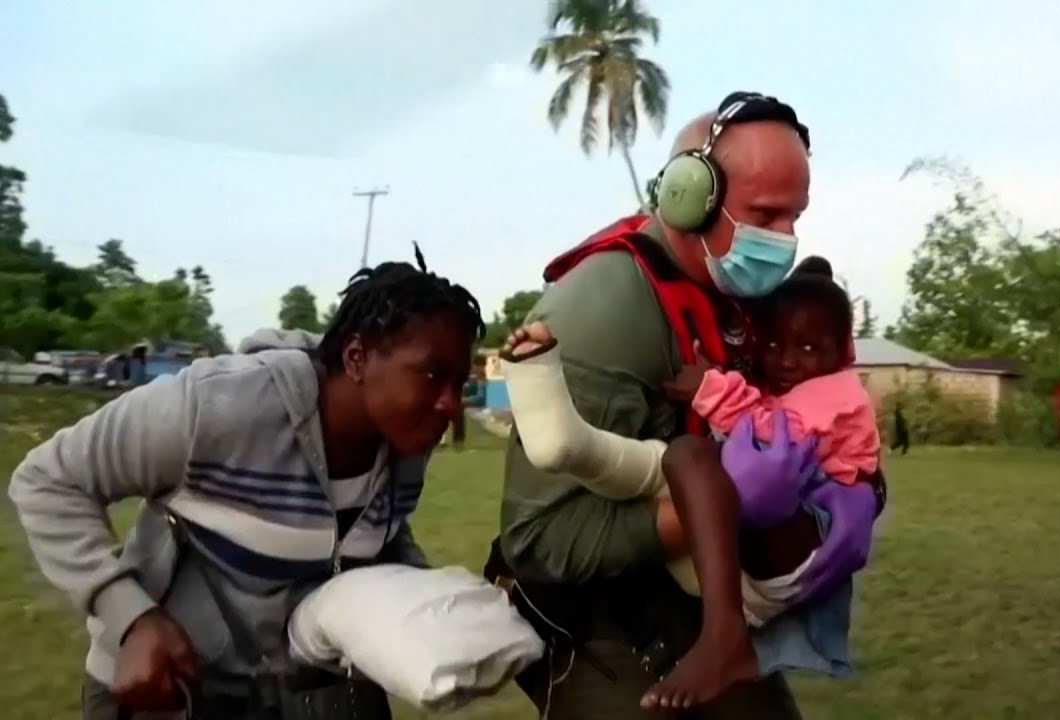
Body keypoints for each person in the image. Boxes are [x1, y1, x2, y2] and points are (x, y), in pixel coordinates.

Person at [486, 92, 880, 719]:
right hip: (592, 616)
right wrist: (717, 509)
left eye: (794, 217)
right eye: (766, 215)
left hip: (692, 592)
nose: (785, 240)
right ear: (689, 196)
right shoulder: (606, 309)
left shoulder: (743, 298)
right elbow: (539, 540)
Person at [8, 246, 484, 719]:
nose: (450, 405)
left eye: (458, 384)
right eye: (432, 375)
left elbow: (371, 535)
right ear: (357, 357)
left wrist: (438, 609)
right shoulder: (219, 406)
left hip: (303, 691)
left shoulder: (404, 448)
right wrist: (131, 618)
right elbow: (49, 479)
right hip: (170, 689)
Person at [498, 257, 884, 710]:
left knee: (692, 460)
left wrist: (711, 389)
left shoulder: (839, 394)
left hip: (802, 543)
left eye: (808, 349)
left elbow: (776, 445)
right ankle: (564, 443)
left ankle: (723, 635)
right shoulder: (803, 383)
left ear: (841, 352)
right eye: (775, 344)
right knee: (676, 473)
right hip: (748, 570)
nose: (786, 360)